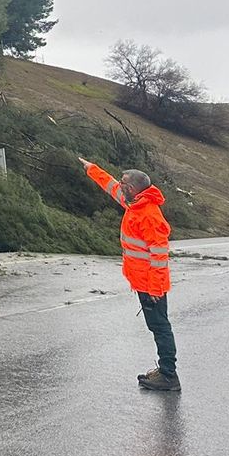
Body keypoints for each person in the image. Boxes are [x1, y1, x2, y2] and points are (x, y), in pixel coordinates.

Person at [81, 158, 179, 391]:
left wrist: (155, 289)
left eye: (124, 182)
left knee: (160, 327)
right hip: (143, 281)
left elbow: (159, 256)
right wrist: (91, 169)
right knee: (157, 325)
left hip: (151, 284)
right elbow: (110, 185)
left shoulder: (148, 214)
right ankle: (165, 371)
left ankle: (169, 375)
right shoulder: (135, 204)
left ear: (133, 189)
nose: (119, 185)